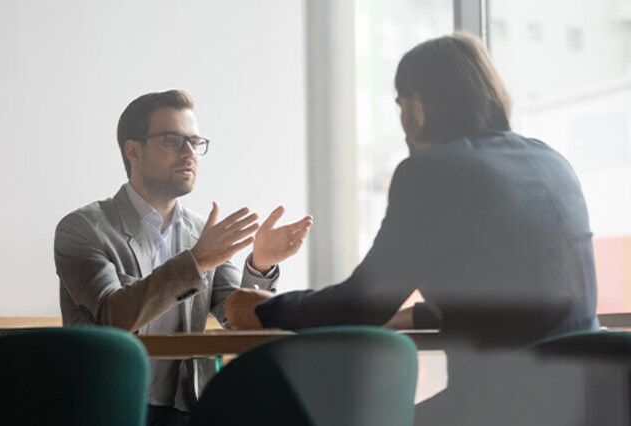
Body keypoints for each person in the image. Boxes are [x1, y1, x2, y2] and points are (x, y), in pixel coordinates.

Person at [224, 33, 599, 425]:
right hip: (587, 402)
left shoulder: (431, 172)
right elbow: (521, 290)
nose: (402, 122)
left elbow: (363, 302)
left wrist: (266, 310)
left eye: (400, 105)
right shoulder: (552, 161)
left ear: (419, 106)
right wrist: (416, 316)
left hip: (504, 409)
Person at [54, 89, 312, 426]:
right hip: (106, 406)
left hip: (187, 409)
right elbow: (112, 316)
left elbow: (236, 317)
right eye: (173, 140)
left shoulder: (201, 232)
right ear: (133, 150)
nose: (190, 152)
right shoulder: (83, 227)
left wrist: (259, 264)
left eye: (195, 142)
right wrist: (197, 261)